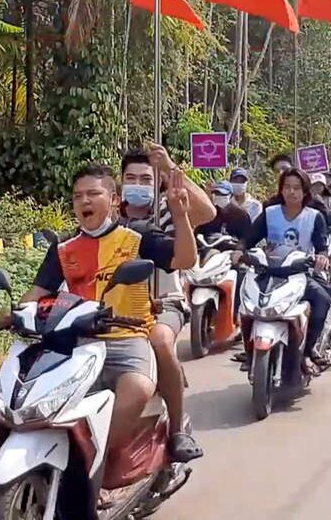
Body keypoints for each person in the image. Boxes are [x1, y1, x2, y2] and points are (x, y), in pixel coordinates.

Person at [21, 164, 196, 458]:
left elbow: (185, 259)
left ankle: (103, 458)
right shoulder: (63, 247)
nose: (85, 201)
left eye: (93, 194)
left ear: (114, 199)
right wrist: (16, 312)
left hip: (128, 336)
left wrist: (180, 215)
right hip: (77, 343)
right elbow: (37, 293)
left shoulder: (139, 235)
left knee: (138, 388)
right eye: (78, 196)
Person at [118, 146, 214, 463]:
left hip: (163, 305)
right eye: (130, 178)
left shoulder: (166, 212)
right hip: (112, 309)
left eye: (145, 179)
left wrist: (171, 168)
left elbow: (207, 213)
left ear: (156, 184)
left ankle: (177, 430)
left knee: (159, 340)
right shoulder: (108, 215)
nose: (137, 184)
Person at [240, 169, 331, 368]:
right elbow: (249, 239)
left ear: (305, 191)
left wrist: (322, 257)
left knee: (323, 298)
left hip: (300, 274)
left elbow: (322, 247)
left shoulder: (315, 216)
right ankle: (248, 351)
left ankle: (308, 349)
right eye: (287, 187)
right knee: (244, 299)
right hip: (268, 273)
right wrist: (239, 251)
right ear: (281, 190)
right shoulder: (269, 213)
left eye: (297, 188)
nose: (291, 192)